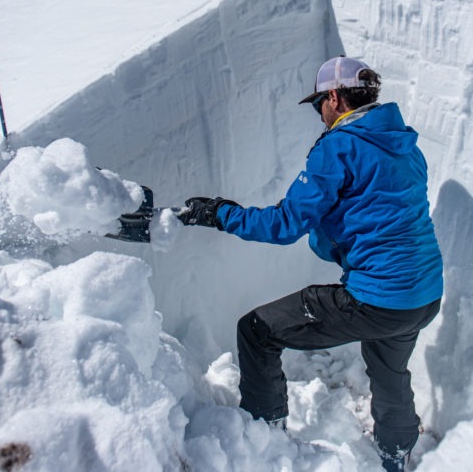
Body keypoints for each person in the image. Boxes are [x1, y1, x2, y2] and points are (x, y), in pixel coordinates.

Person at [178, 56, 443, 472]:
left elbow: (285, 225)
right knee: (388, 368)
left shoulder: (339, 146)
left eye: (319, 102)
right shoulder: (404, 144)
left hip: (377, 297)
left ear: (335, 98)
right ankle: (397, 454)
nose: (319, 112)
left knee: (257, 330)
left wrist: (221, 214)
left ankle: (263, 436)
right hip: (423, 294)